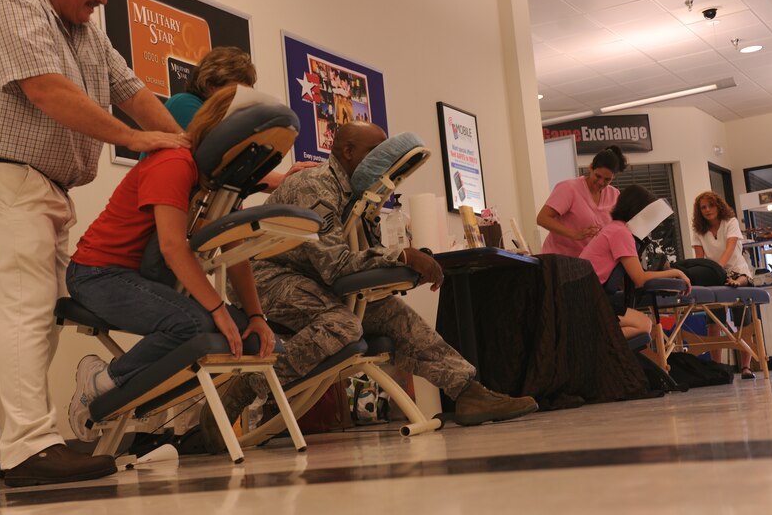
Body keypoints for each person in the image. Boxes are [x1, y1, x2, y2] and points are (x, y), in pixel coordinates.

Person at [0, 0, 189, 487]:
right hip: (6, 174)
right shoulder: (12, 2)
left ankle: (37, 441)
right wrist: (134, 140)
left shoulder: (84, 30)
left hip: (46, 185)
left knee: (40, 317)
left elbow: (132, 91)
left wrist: (183, 150)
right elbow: (46, 91)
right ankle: (27, 450)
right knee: (26, 311)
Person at [200, 122, 539, 453]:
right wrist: (401, 257)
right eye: (375, 151)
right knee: (343, 325)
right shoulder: (315, 187)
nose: (385, 159)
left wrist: (406, 261)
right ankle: (248, 386)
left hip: (310, 276)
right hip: (263, 276)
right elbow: (336, 265)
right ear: (348, 152)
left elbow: (359, 256)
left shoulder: (358, 197)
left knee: (394, 314)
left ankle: (467, 392)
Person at [65, 84, 275, 442]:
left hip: (135, 277)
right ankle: (99, 381)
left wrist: (256, 318)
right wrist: (217, 308)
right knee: (193, 324)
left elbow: (235, 250)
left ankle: (155, 417)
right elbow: (173, 246)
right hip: (97, 274)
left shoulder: (219, 184)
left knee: (239, 332)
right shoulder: (175, 161)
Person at [148, 46, 314, 190]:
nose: (241, 98)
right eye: (235, 91)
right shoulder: (184, 103)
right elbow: (220, 164)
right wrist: (281, 180)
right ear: (210, 85)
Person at [580, 185, 691, 339]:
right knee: (644, 324)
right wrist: (677, 272)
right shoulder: (621, 233)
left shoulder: (613, 228)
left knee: (641, 323)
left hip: (584, 297)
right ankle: (592, 343)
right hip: (587, 300)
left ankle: (594, 342)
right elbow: (639, 279)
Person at [691, 191, 756, 379]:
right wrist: (703, 276)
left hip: (737, 273)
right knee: (713, 323)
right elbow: (699, 258)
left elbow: (729, 249)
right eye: (703, 207)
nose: (707, 210)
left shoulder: (731, 222)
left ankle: (746, 367)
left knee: (743, 322)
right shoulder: (698, 230)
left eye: (710, 205)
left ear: (718, 206)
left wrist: (717, 269)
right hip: (713, 277)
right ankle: (716, 368)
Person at [537, 145, 628, 257]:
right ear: (590, 168)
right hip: (559, 259)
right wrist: (574, 234)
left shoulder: (614, 195)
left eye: (607, 179)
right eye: (598, 176)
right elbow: (542, 218)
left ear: (613, 177)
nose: (601, 182)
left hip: (588, 261)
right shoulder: (569, 188)